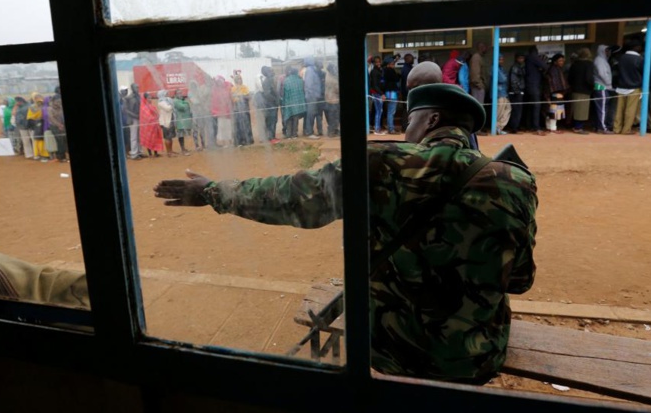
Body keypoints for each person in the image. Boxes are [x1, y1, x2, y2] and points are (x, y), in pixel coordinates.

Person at [154, 83, 537, 384]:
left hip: (391, 353)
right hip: (474, 359)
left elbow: (292, 197)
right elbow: (520, 280)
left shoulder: (381, 164)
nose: (407, 129)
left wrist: (211, 192)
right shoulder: (517, 181)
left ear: (432, 121)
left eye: (411, 121)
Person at [614, 40, 644, 135]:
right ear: (637, 47)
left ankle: (616, 129)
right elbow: (644, 73)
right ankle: (626, 129)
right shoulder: (639, 59)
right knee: (630, 110)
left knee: (618, 110)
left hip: (620, 86)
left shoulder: (621, 58)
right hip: (634, 87)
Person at [568, 48, 595, 134]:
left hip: (575, 89)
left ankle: (575, 125)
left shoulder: (574, 64)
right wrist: (592, 86)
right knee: (582, 110)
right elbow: (589, 78)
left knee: (575, 109)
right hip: (584, 89)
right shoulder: (589, 64)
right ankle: (578, 127)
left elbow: (569, 78)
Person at [592, 45, 616, 134]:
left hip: (603, 86)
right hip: (601, 87)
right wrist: (609, 83)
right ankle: (602, 128)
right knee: (602, 109)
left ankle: (598, 126)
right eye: (606, 51)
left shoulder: (602, 60)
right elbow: (602, 73)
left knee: (600, 108)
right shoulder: (600, 60)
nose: (608, 52)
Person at [524, 46, 547, 136]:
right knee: (537, 106)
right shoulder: (533, 57)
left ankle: (529, 126)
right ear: (536, 51)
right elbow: (545, 66)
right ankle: (536, 127)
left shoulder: (527, 59)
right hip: (534, 85)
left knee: (530, 106)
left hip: (528, 84)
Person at [544, 54, 568, 134]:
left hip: (556, 93)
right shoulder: (553, 70)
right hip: (554, 93)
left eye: (563, 61)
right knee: (554, 112)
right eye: (560, 61)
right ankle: (553, 129)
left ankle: (549, 127)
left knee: (551, 112)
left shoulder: (557, 69)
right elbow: (551, 84)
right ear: (555, 62)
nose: (562, 62)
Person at [281, 66, 306, 139]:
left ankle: (289, 135)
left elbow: (284, 93)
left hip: (288, 102)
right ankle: (294, 134)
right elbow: (302, 92)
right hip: (297, 103)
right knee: (295, 119)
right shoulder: (300, 80)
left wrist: (283, 103)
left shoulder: (286, 80)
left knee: (289, 118)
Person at [231, 72, 254, 146]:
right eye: (238, 79)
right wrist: (239, 97)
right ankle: (240, 141)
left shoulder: (245, 87)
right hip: (237, 109)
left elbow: (249, 96)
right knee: (238, 126)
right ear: (235, 80)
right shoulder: (233, 88)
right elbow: (232, 98)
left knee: (246, 124)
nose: (239, 80)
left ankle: (248, 140)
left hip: (245, 108)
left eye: (240, 79)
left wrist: (242, 97)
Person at [211, 76, 234, 147]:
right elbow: (214, 102)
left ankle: (230, 143)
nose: (219, 83)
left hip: (228, 112)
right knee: (222, 128)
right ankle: (224, 143)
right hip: (220, 113)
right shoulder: (215, 90)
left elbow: (231, 98)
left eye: (220, 81)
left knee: (229, 127)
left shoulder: (227, 87)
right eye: (218, 82)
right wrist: (215, 112)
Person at [491, 54, 511, 134]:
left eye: (502, 59)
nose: (502, 61)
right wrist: (505, 77)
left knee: (507, 109)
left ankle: (499, 127)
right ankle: (496, 128)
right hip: (498, 93)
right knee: (499, 112)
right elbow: (502, 79)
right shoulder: (494, 67)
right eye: (500, 59)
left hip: (504, 92)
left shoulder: (500, 68)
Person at [140, 92, 164, 157]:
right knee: (149, 139)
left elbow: (156, 114)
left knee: (155, 139)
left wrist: (156, 117)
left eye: (151, 98)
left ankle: (156, 153)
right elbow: (147, 117)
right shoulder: (143, 107)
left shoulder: (151, 106)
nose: (150, 99)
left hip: (155, 125)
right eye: (148, 98)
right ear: (145, 99)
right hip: (148, 127)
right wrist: (155, 118)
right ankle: (150, 154)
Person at [189, 80, 211, 151]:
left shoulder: (199, 92)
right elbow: (195, 102)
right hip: (194, 114)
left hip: (201, 113)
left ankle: (203, 145)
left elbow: (203, 99)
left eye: (195, 85)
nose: (194, 87)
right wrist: (201, 101)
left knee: (202, 130)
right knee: (195, 130)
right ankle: (197, 146)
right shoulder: (190, 93)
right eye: (192, 86)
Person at [174, 89, 197, 154]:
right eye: (178, 93)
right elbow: (182, 107)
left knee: (183, 135)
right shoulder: (175, 101)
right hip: (179, 121)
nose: (180, 94)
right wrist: (187, 103)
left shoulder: (181, 100)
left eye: (181, 93)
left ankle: (184, 148)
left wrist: (185, 103)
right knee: (180, 135)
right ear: (175, 94)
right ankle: (182, 149)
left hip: (184, 121)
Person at [507, 53, 526, 134]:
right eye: (520, 58)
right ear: (516, 59)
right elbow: (513, 80)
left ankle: (515, 126)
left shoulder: (520, 67)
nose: (521, 60)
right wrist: (517, 91)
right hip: (516, 92)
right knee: (516, 111)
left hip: (517, 91)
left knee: (518, 111)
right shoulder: (515, 67)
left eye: (522, 58)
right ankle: (514, 128)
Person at [261, 66, 280, 142]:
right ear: (266, 72)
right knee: (271, 121)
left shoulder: (270, 80)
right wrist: (275, 100)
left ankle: (272, 137)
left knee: (273, 120)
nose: (272, 72)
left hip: (272, 104)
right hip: (270, 104)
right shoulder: (267, 81)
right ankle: (270, 137)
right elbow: (267, 94)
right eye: (270, 70)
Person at [382, 56, 400, 134]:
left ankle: (391, 128)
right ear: (388, 64)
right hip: (391, 92)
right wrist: (398, 75)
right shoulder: (390, 71)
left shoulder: (384, 70)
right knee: (391, 111)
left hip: (389, 92)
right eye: (392, 63)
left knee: (390, 111)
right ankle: (391, 129)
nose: (394, 65)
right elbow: (396, 78)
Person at [124, 83, 143, 159]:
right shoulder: (128, 98)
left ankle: (140, 152)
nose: (137, 89)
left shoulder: (139, 96)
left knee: (139, 136)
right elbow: (125, 110)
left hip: (140, 118)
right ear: (132, 88)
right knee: (134, 137)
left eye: (138, 87)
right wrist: (135, 115)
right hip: (133, 119)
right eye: (136, 87)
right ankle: (134, 154)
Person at [47, 95, 68, 162]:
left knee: (64, 140)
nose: (59, 102)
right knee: (60, 141)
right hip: (55, 127)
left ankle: (65, 156)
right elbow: (52, 118)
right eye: (57, 101)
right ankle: (61, 157)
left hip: (63, 125)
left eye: (60, 101)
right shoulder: (50, 109)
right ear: (53, 101)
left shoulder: (61, 107)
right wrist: (59, 125)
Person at [157, 90, 178, 157]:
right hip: (165, 122)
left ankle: (171, 151)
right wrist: (172, 105)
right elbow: (168, 108)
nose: (167, 95)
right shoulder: (161, 102)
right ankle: (168, 152)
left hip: (170, 121)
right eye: (165, 94)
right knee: (167, 138)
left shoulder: (167, 101)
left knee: (170, 137)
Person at [368, 56, 385, 135]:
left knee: (379, 111)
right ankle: (377, 129)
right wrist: (381, 94)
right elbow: (375, 85)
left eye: (379, 61)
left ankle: (377, 128)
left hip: (378, 92)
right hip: (376, 93)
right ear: (374, 63)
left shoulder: (379, 70)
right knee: (378, 111)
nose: (378, 63)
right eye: (376, 62)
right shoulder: (374, 71)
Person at [324, 63, 340, 138]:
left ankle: (334, 131)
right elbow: (338, 90)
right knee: (334, 117)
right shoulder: (333, 80)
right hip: (334, 100)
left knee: (331, 117)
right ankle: (331, 132)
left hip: (328, 99)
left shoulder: (327, 75)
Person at [119, 86, 131, 154]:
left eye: (126, 90)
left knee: (127, 137)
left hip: (127, 121)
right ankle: (124, 152)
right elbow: (122, 110)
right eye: (125, 90)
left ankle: (127, 151)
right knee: (123, 138)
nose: (126, 91)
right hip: (122, 122)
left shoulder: (126, 99)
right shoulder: (119, 100)